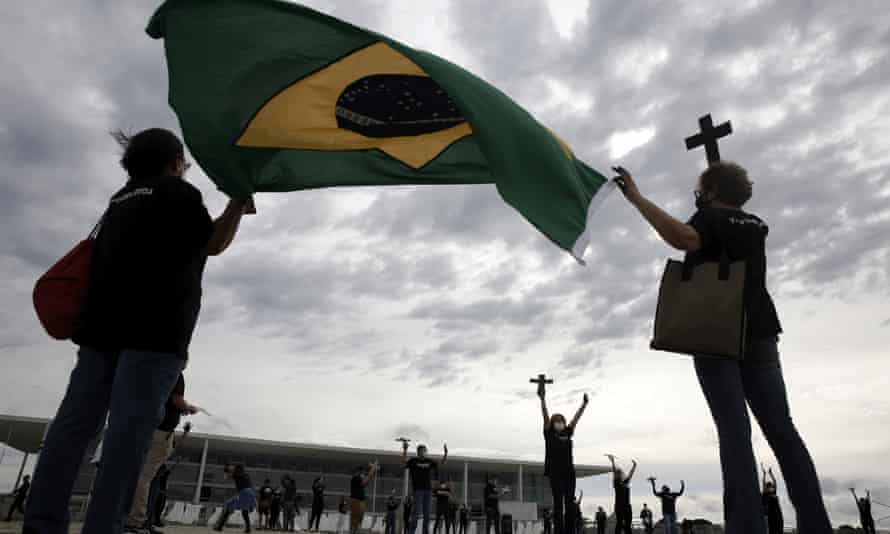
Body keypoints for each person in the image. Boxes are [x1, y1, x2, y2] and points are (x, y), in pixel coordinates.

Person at [24, 128, 253, 534]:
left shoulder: (119, 200)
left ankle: (41, 524)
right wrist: (237, 204)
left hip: (100, 334)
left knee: (71, 432)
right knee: (125, 443)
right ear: (174, 161)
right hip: (156, 335)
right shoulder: (179, 195)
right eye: (183, 160)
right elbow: (212, 244)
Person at [614, 163, 833, 534]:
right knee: (782, 429)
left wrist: (637, 198)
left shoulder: (708, 219)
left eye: (702, 188)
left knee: (734, 432)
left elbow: (683, 239)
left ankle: (747, 526)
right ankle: (816, 525)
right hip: (761, 331)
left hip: (715, 332)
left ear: (712, 190)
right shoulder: (757, 224)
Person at [124, 373, 199, 533]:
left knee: (148, 480)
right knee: (145, 478)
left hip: (151, 430)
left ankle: (144, 521)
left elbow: (170, 402)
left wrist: (180, 412)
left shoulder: (152, 372)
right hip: (160, 432)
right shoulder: (174, 371)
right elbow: (177, 401)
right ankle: (136, 521)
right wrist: (188, 407)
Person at [540, 387, 589, 534]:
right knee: (558, 504)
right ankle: (559, 531)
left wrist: (583, 405)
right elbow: (545, 416)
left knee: (569, 503)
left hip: (569, 472)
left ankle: (570, 531)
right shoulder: (549, 433)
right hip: (555, 472)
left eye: (562, 421)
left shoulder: (568, 432)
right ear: (554, 423)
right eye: (558, 421)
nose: (560, 423)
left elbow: (576, 419)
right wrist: (542, 400)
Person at [403, 442, 448, 534]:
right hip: (418, 491)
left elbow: (441, 463)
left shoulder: (429, 461)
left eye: (425, 451)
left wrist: (446, 453)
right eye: (423, 450)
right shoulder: (413, 461)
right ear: (418, 452)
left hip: (428, 490)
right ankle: (411, 532)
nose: (425, 452)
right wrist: (405, 449)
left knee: (427, 515)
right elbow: (404, 461)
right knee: (416, 513)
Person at [214, 463, 257, 533]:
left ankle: (219, 527)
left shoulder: (236, 475)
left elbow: (226, 477)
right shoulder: (246, 475)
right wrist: (253, 501)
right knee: (245, 511)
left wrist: (226, 470)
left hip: (243, 493)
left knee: (228, 506)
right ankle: (248, 529)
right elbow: (251, 486)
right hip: (251, 493)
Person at [350, 461, 379, 534]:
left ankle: (357, 531)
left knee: (359, 520)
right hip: (356, 501)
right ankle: (354, 531)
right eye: (362, 473)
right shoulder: (355, 478)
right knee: (355, 521)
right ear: (359, 472)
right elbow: (365, 482)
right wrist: (372, 469)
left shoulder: (358, 478)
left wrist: (372, 470)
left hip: (360, 501)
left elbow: (366, 482)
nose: (363, 474)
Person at [761, 466, 783, 534]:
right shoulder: (765, 493)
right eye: (770, 487)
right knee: (771, 528)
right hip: (770, 513)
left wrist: (771, 474)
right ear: (767, 488)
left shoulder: (774, 492)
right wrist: (764, 474)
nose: (771, 488)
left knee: (779, 525)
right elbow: (763, 483)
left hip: (777, 512)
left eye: (772, 487)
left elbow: (775, 482)